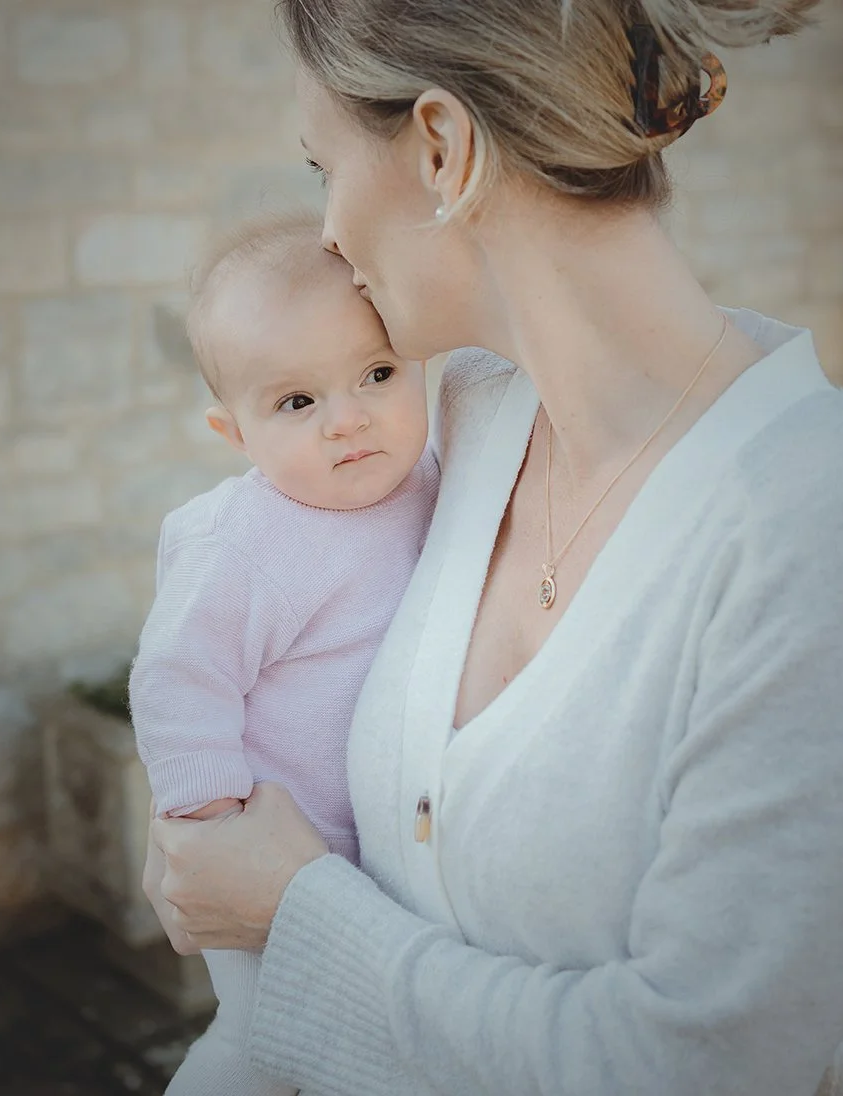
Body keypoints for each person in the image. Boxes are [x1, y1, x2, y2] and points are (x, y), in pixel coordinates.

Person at [144, 0, 843, 1093]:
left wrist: (295, 916)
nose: (326, 232)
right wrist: (209, 819)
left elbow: (703, 1063)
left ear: (440, 146)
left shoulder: (808, 530)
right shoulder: (452, 428)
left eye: (320, 164)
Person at [129, 209, 438, 1095]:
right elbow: (178, 675)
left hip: (379, 862)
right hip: (266, 851)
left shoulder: (430, 479)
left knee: (368, 1050)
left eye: (376, 374)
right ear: (235, 434)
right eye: (297, 401)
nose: (348, 420)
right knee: (264, 1047)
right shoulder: (245, 541)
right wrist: (205, 816)